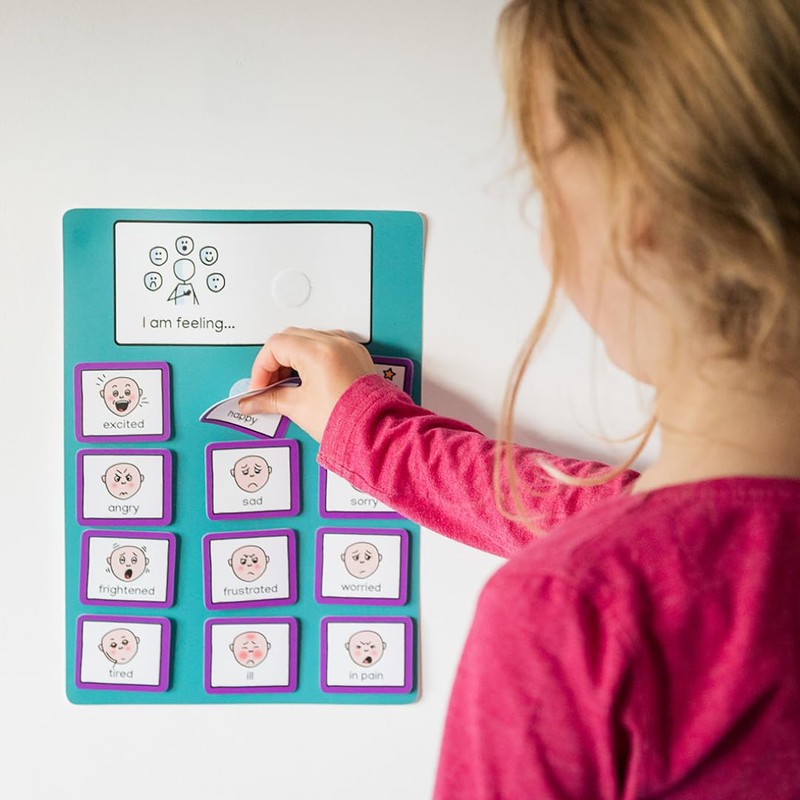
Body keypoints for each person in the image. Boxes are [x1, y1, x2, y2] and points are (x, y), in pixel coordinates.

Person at [240, 1, 800, 796]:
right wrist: (371, 433)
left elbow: (648, 554)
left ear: (636, 217)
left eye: (546, 186)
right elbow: (634, 525)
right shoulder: (615, 600)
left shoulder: (573, 619)